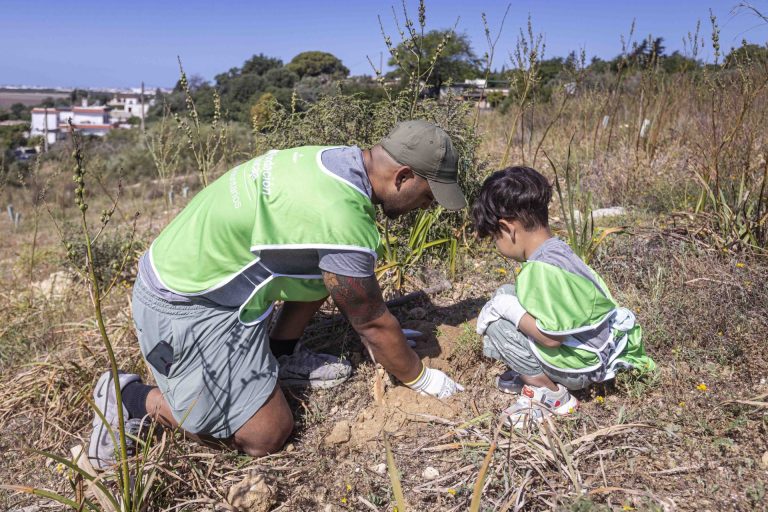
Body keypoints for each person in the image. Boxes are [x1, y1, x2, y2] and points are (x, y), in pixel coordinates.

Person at [88, 120, 467, 468]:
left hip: (200, 275)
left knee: (331, 266)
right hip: (183, 304)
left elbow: (353, 292)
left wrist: (382, 335)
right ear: (403, 176)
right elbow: (370, 320)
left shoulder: (332, 161)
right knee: (265, 434)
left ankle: (281, 354)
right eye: (429, 195)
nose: (428, 205)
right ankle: (129, 398)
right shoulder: (340, 217)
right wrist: (418, 377)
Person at [472, 166, 655, 428]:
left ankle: (548, 394)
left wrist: (505, 310)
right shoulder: (557, 250)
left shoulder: (539, 272)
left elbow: (550, 337)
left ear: (507, 228)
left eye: (494, 237)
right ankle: (530, 370)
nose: (496, 245)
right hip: (601, 348)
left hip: (583, 365)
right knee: (506, 294)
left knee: (498, 322)